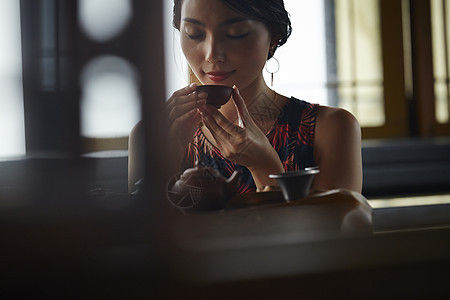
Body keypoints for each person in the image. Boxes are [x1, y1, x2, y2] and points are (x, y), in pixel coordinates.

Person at [128, 0, 362, 195]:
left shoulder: (329, 129)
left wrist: (265, 169)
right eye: (194, 33)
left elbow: (333, 242)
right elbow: (142, 244)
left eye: (235, 34)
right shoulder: (150, 136)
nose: (213, 55)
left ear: (274, 37)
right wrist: (163, 169)